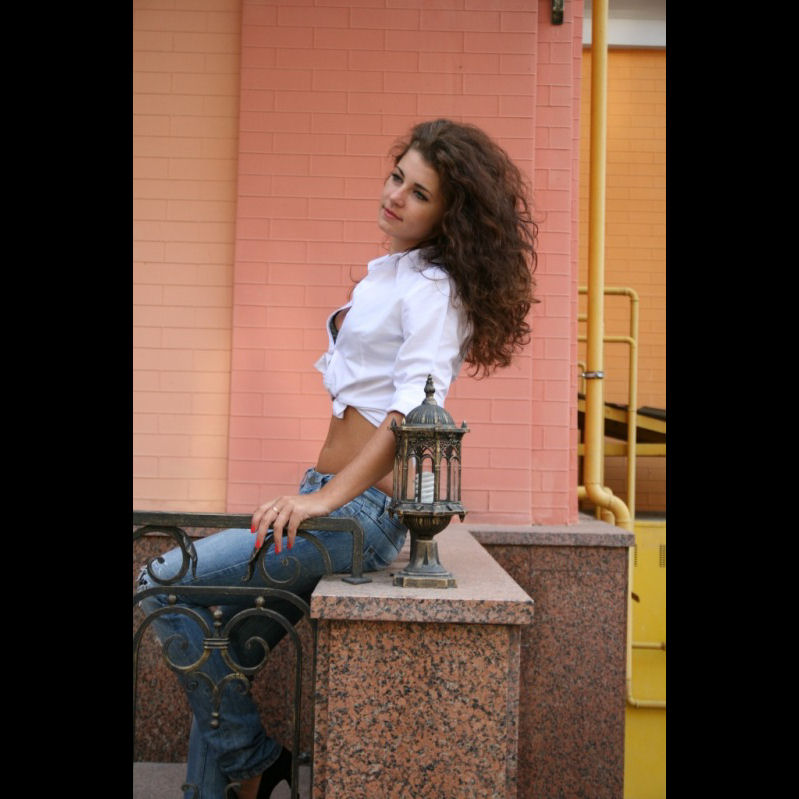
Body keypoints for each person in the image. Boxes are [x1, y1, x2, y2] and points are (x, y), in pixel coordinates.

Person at [136, 118, 539, 799]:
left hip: (359, 513)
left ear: (449, 216)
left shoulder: (433, 291)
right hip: (333, 495)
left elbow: (411, 415)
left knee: (161, 582)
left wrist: (321, 500)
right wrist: (316, 489)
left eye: (419, 193)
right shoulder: (393, 274)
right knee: (219, 642)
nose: (396, 196)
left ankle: (255, 760)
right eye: (397, 177)